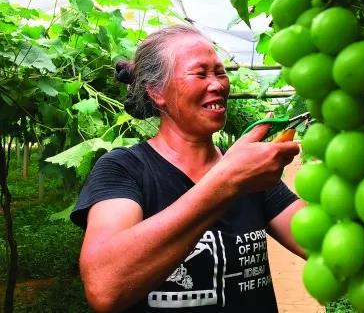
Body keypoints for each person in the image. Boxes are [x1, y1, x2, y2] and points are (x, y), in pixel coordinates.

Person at [70, 24, 305, 312]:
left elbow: (323, 246)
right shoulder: (124, 169)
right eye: (200, 73)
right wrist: (226, 183)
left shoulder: (249, 171)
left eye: (220, 72)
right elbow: (104, 287)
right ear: (157, 92)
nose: (218, 84)